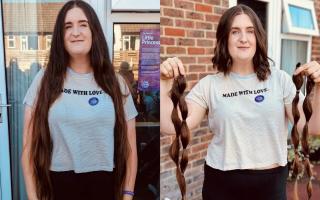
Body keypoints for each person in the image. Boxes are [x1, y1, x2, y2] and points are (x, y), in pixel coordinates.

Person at [160, 4, 320, 200]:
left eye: (250, 31)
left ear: (258, 37)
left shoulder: (280, 80)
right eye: (235, 31)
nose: (243, 38)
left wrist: (319, 87)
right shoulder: (210, 85)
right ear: (224, 38)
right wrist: (164, 83)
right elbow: (171, 126)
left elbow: (313, 127)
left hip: (270, 184)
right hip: (221, 184)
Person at [21, 1, 138, 200]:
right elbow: (28, 149)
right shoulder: (44, 80)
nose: (75, 32)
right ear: (61, 35)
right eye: (68, 26)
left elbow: (130, 149)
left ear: (94, 31)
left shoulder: (115, 83)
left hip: (105, 187)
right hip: (58, 186)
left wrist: (127, 195)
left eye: (83, 24)